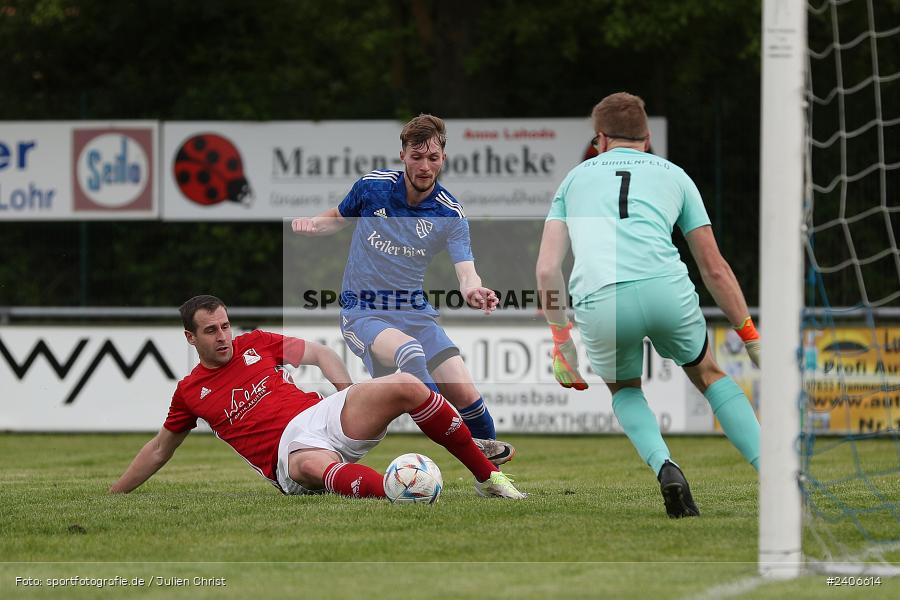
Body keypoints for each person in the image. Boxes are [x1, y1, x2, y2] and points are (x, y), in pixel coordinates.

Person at [536, 92, 761, 518]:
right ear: (648, 136)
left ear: (599, 138)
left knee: (624, 388)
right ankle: (775, 475)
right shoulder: (675, 175)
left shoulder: (574, 179)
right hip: (664, 288)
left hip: (601, 297)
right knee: (709, 374)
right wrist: (748, 332)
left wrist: (561, 341)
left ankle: (666, 467)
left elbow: (547, 269)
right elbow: (713, 268)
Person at [109, 295, 525, 500]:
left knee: (407, 384)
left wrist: (349, 395)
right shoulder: (190, 392)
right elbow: (160, 450)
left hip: (324, 414)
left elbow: (322, 354)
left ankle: (488, 478)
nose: (223, 337)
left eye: (225, 326)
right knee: (310, 463)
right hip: (288, 455)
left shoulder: (258, 343)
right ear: (190, 337)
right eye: (211, 331)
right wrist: (115, 495)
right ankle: (400, 491)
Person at [291, 114, 513, 465]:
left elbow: (467, 272)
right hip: (363, 310)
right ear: (403, 155)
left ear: (443, 159)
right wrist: (312, 224)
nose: (425, 166)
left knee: (466, 393)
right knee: (410, 353)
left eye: (433, 158)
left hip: (414, 311)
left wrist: (475, 290)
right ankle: (467, 445)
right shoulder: (373, 187)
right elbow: (337, 216)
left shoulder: (449, 213)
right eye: (417, 156)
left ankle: (491, 476)